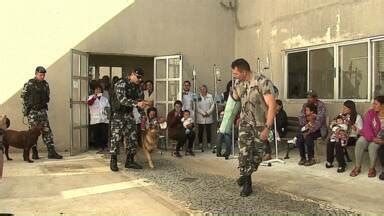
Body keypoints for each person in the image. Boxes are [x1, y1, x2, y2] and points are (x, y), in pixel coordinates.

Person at [229, 58, 277, 197]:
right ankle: (247, 183)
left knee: (257, 155)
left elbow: (272, 106)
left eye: (235, 73)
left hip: (260, 125)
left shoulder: (263, 82)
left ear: (244, 72)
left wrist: (267, 128)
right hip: (245, 124)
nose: (234, 76)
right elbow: (235, 98)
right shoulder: (239, 82)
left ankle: (246, 174)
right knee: (244, 154)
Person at [109, 67, 148, 172]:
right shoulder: (121, 84)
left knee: (132, 137)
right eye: (138, 77)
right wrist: (136, 103)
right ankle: (113, 160)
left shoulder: (138, 88)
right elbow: (122, 100)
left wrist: (143, 115)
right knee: (116, 138)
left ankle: (130, 161)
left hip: (129, 114)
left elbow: (140, 102)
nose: (139, 80)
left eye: (141, 78)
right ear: (132, 74)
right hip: (118, 115)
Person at [21, 66, 62, 159]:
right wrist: (25, 111)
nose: (42, 77)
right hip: (33, 112)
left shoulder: (45, 84)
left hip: (42, 111)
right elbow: (23, 97)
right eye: (40, 75)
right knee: (33, 133)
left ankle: (51, 152)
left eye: (43, 75)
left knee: (47, 131)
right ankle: (35, 152)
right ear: (36, 74)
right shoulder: (29, 84)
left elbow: (47, 96)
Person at [350, 96, 384, 178]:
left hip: (380, 138)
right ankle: (357, 167)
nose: (373, 106)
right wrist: (373, 138)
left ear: (383, 105)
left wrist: (381, 140)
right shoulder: (370, 113)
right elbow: (366, 128)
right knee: (360, 142)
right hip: (369, 135)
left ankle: (372, 168)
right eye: (373, 103)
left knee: (372, 146)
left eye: (376, 104)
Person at [326, 100, 362, 173]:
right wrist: (337, 129)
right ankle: (329, 161)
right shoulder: (340, 115)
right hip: (339, 134)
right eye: (343, 108)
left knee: (338, 143)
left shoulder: (357, 117)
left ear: (350, 109)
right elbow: (332, 124)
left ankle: (341, 165)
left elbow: (360, 131)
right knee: (330, 141)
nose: (343, 110)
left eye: (345, 108)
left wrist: (351, 124)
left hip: (351, 137)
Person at [296, 90, 327, 166]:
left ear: (315, 98)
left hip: (319, 129)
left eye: (310, 97)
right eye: (308, 97)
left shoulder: (321, 105)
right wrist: (306, 126)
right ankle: (303, 158)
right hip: (307, 126)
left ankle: (311, 158)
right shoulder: (305, 105)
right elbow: (301, 117)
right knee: (299, 137)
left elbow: (319, 121)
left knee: (308, 137)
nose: (308, 99)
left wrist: (310, 130)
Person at [87, 84, 110, 153]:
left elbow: (108, 108)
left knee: (104, 134)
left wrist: (108, 115)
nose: (98, 91)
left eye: (99, 89)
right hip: (95, 119)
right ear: (94, 90)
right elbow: (89, 103)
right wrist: (95, 97)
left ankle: (105, 146)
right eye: (96, 89)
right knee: (97, 134)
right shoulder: (91, 97)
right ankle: (99, 147)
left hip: (104, 119)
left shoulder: (105, 99)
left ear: (101, 91)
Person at [196, 85, 215, 152]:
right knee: (200, 131)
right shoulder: (198, 96)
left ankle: (209, 143)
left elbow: (213, 106)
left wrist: (207, 113)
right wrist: (203, 113)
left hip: (208, 116)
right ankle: (200, 144)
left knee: (208, 131)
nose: (203, 90)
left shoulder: (210, 96)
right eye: (201, 89)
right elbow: (197, 107)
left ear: (206, 89)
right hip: (201, 116)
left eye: (204, 89)